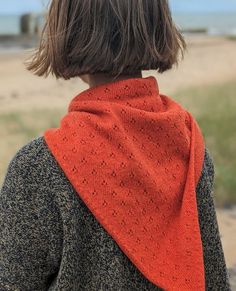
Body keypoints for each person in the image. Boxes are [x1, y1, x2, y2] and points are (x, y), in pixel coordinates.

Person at [0, 0, 232, 290]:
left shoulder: (37, 168)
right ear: (156, 23)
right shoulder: (189, 145)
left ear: (68, 29)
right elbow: (213, 277)